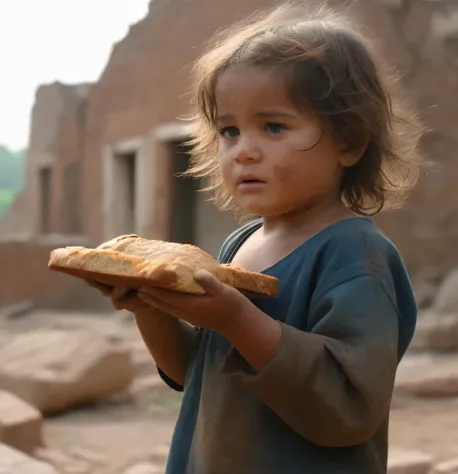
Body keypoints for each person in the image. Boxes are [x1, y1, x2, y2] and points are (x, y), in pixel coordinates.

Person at [88, 2, 424, 473]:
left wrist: (235, 316)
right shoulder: (237, 246)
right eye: (229, 130)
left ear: (349, 140)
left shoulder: (354, 256)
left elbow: (349, 407)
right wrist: (152, 308)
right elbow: (198, 374)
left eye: (273, 126)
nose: (244, 151)